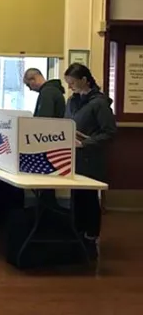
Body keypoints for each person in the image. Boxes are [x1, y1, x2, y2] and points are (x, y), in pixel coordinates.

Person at [63, 63, 116, 255]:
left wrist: (86, 142)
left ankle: (91, 238)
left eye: (73, 82)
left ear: (84, 80)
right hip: (74, 158)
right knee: (76, 198)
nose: (70, 87)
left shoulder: (99, 103)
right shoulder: (72, 101)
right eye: (68, 83)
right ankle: (77, 235)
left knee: (89, 200)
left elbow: (109, 133)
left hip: (91, 159)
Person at [23, 68, 66, 206]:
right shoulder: (54, 90)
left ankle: (46, 211)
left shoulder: (47, 93)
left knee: (45, 186)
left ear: (33, 79)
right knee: (48, 186)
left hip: (47, 144)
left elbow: (43, 122)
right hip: (56, 142)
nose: (30, 89)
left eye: (29, 85)